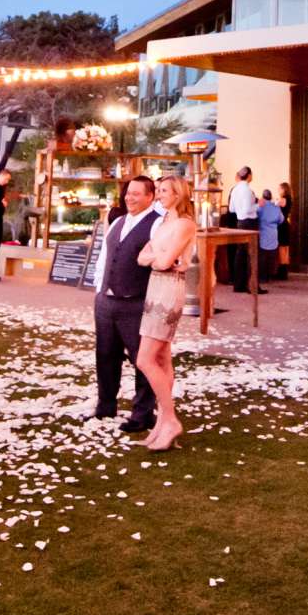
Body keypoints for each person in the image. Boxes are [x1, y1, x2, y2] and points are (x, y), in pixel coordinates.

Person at [90, 175, 162, 434]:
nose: (130, 198)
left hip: (136, 302)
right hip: (106, 301)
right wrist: (99, 290)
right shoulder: (118, 221)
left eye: (137, 194)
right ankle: (105, 406)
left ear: (150, 197)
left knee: (142, 360)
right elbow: (104, 256)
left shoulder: (157, 224)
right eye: (128, 193)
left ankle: (143, 414)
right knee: (105, 355)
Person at [134, 175, 199, 451]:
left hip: (169, 291)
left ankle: (170, 418)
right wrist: (158, 259)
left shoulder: (184, 224)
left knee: (144, 359)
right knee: (161, 358)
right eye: (158, 190)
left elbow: (161, 260)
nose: (158, 194)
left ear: (177, 194)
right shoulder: (163, 223)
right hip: (154, 287)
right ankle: (162, 421)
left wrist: (158, 259)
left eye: (163, 191)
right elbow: (144, 257)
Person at [255, 187, 287, 283]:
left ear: (263, 197)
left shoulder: (260, 206)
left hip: (263, 233)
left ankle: (262, 276)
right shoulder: (276, 207)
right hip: (273, 234)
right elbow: (281, 219)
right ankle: (269, 275)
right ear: (271, 197)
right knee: (271, 256)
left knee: (262, 256)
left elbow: (255, 216)